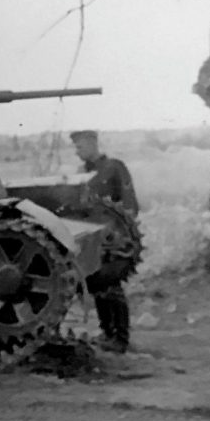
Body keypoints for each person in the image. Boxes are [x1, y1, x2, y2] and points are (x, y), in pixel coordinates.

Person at [70, 129, 139, 354]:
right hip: (92, 241)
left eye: (80, 146)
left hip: (114, 239)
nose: (77, 151)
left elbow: (130, 205)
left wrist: (121, 234)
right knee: (97, 284)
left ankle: (120, 337)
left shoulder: (114, 168)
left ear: (92, 143)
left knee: (112, 286)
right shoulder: (82, 175)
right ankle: (107, 332)